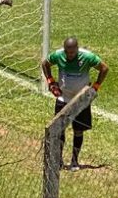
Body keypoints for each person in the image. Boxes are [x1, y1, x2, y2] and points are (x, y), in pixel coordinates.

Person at [42, 36, 107, 170]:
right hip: (63, 98)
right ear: (64, 49)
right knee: (59, 129)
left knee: (78, 131)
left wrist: (96, 87)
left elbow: (104, 68)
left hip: (80, 100)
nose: (70, 55)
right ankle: (58, 160)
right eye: (67, 52)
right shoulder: (58, 55)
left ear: (77, 49)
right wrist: (50, 81)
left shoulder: (88, 57)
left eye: (72, 52)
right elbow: (45, 64)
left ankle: (74, 161)